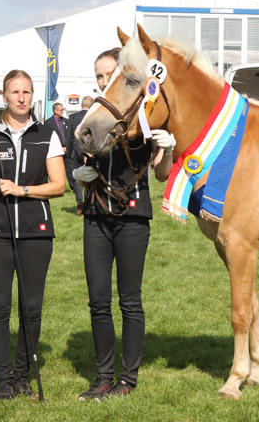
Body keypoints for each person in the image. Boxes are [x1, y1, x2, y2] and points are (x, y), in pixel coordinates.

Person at [75, 48, 174, 401]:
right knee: (98, 301)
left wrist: (170, 148)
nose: (103, 81)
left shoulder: (145, 120)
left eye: (108, 75)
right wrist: (79, 175)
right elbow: (79, 168)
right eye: (99, 76)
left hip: (133, 219)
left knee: (130, 301)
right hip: (96, 217)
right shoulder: (94, 117)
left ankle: (127, 380)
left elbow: (162, 175)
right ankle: (103, 377)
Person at [0, 70, 66, 400]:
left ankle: (22, 374)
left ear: (33, 96)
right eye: (15, 92)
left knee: (30, 310)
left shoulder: (47, 135)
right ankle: (3, 380)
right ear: (4, 96)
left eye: (26, 92)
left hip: (36, 233)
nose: (21, 97)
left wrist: (23, 190)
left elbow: (59, 185)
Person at [68, 96, 94, 215]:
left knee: (77, 178)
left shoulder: (72, 118)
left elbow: (69, 138)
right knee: (91, 176)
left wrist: (68, 154)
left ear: (81, 105)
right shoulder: (94, 116)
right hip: (91, 151)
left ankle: (80, 201)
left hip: (75, 152)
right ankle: (89, 202)